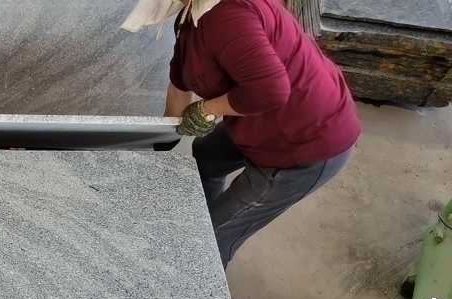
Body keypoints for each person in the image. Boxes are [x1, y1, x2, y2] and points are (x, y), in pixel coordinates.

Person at [124, 0, 362, 268]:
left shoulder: (227, 16)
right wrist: (162, 139)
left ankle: (200, 255)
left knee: (206, 244)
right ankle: (196, 215)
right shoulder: (193, 14)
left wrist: (207, 109)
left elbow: (269, 91)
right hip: (267, 118)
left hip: (305, 142)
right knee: (207, 152)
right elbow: (179, 83)